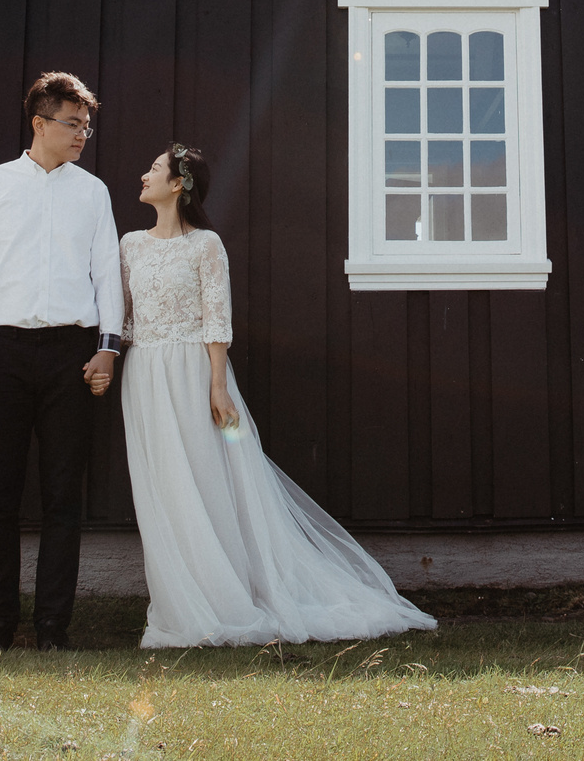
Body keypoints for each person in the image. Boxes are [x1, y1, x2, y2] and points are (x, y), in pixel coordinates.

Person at [119, 142, 437, 649]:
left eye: (154, 168)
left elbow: (216, 319)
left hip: (195, 372)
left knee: (208, 479)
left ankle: (226, 598)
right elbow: (124, 315)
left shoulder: (206, 245)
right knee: (162, 484)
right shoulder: (130, 244)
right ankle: (181, 601)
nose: (144, 174)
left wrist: (218, 385)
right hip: (145, 374)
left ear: (178, 184)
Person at [0, 71, 123, 651]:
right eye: (72, 124)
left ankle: (53, 627)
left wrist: (108, 346)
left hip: (72, 357)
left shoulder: (92, 192)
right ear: (39, 124)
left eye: (86, 125)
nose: (82, 135)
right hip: (1, 351)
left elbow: (107, 272)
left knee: (62, 497)